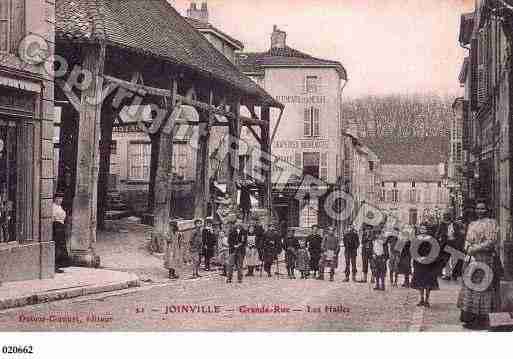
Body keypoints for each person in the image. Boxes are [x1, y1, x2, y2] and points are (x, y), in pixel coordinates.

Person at [457, 200, 501, 330]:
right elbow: (467, 241)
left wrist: (475, 248)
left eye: (482, 208)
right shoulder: (472, 224)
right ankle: (472, 318)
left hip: (486, 259)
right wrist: (468, 247)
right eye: (478, 208)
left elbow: (491, 242)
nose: (480, 211)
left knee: (484, 287)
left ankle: (483, 319)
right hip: (473, 259)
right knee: (471, 287)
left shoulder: (492, 223)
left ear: (487, 209)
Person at [411, 223, 440, 307]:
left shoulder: (432, 239)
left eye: (424, 229)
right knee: (420, 282)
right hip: (419, 263)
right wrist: (418, 259)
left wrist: (429, 258)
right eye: (421, 229)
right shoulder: (416, 239)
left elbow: (435, 250)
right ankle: (421, 299)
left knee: (428, 282)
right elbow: (413, 250)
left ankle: (427, 300)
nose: (423, 230)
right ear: (419, 230)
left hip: (429, 263)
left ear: (427, 230)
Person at [442, 216, 466, 280]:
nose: (446, 223)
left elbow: (460, 234)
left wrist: (459, 243)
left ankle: (454, 275)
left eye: (447, 221)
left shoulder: (456, 225)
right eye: (445, 221)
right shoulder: (443, 225)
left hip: (455, 244)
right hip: (447, 244)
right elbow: (441, 233)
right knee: (446, 260)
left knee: (455, 260)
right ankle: (447, 275)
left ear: (450, 220)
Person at [52, 193, 69, 273]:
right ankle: (55, 266)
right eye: (58, 198)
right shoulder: (53, 207)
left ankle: (58, 265)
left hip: (61, 227)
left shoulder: (60, 207)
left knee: (61, 247)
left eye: (61, 198)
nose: (60, 200)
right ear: (55, 199)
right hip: (56, 227)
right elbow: (53, 218)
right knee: (57, 247)